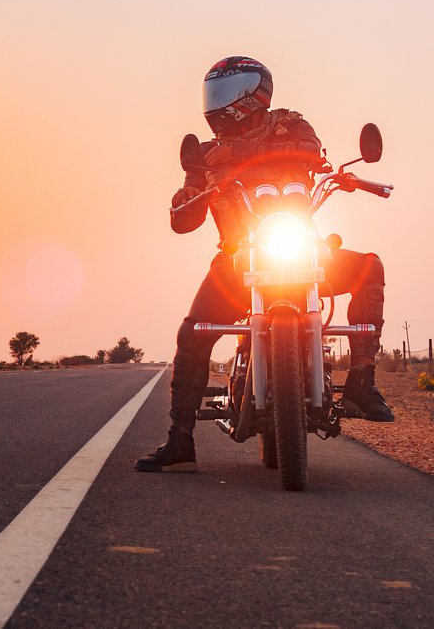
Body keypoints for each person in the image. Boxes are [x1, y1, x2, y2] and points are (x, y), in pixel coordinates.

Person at [135, 56, 394, 473]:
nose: (215, 104)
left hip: (300, 248)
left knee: (369, 266)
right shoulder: (204, 155)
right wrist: (182, 203)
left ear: (252, 96)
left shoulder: (290, 125)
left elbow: (308, 152)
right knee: (192, 334)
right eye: (212, 94)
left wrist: (233, 156)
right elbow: (185, 220)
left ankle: (363, 380)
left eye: (224, 93)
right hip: (238, 260)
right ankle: (179, 438)